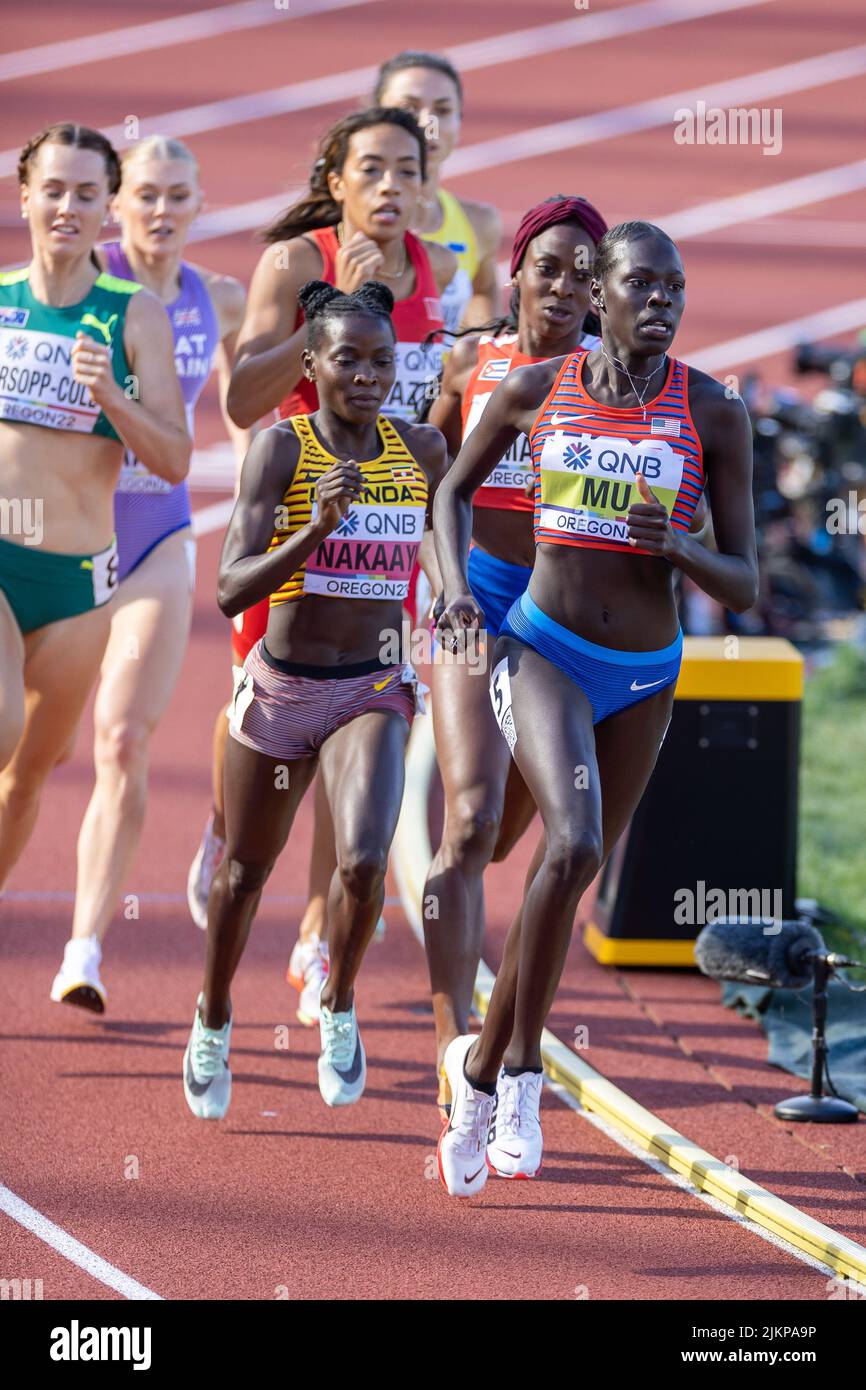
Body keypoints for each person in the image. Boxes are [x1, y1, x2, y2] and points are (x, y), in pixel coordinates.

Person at [433, 221, 758, 1196]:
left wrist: (682, 550)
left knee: (572, 874)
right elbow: (448, 489)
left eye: (675, 288)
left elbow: (743, 581)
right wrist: (453, 594)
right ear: (601, 296)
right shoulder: (540, 389)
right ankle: (524, 1070)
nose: (659, 302)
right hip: (539, 647)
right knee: (566, 844)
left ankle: (481, 1065)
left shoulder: (711, 410)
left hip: (645, 671)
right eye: (641, 285)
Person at [186, 107, 453, 1027]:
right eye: (369, 170)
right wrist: (327, 310)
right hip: (298, 532)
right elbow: (241, 397)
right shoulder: (296, 262)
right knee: (276, 739)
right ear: (335, 181)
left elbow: (439, 406)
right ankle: (231, 833)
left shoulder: (443, 272)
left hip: (380, 536)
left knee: (359, 739)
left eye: (405, 171)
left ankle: (313, 928)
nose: (389, 187)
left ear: (426, 182)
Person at [48, 135, 250, 1011]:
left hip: (156, 539)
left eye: (178, 195)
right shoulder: (78, 291)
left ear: (201, 203)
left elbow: (246, 404)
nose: (161, 211)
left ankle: (83, 949)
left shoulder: (224, 298)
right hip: (60, 538)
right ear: (115, 206)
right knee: (33, 748)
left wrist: (257, 480)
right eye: (145, 196)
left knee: (122, 741)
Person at [422, 195, 607, 1117]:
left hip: (561, 618)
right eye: (551, 266)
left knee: (510, 840)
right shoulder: (472, 361)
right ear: (518, 271)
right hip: (483, 596)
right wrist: (449, 584)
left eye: (587, 272)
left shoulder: (619, 383)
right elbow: (435, 486)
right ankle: (459, 1039)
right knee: (467, 824)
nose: (567, 284)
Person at [0, 124, 189, 943]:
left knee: (26, 776)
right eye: (53, 189)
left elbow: (175, 458)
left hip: (78, 584)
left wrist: (112, 394)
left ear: (107, 206)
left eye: (85, 193)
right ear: (25, 197)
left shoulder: (132, 313)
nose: (67, 207)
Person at [372, 50, 501, 334]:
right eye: (409, 108)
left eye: (442, 111)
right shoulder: (339, 228)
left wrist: (473, 362)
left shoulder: (479, 224)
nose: (428, 123)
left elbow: (484, 293)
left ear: (459, 121)